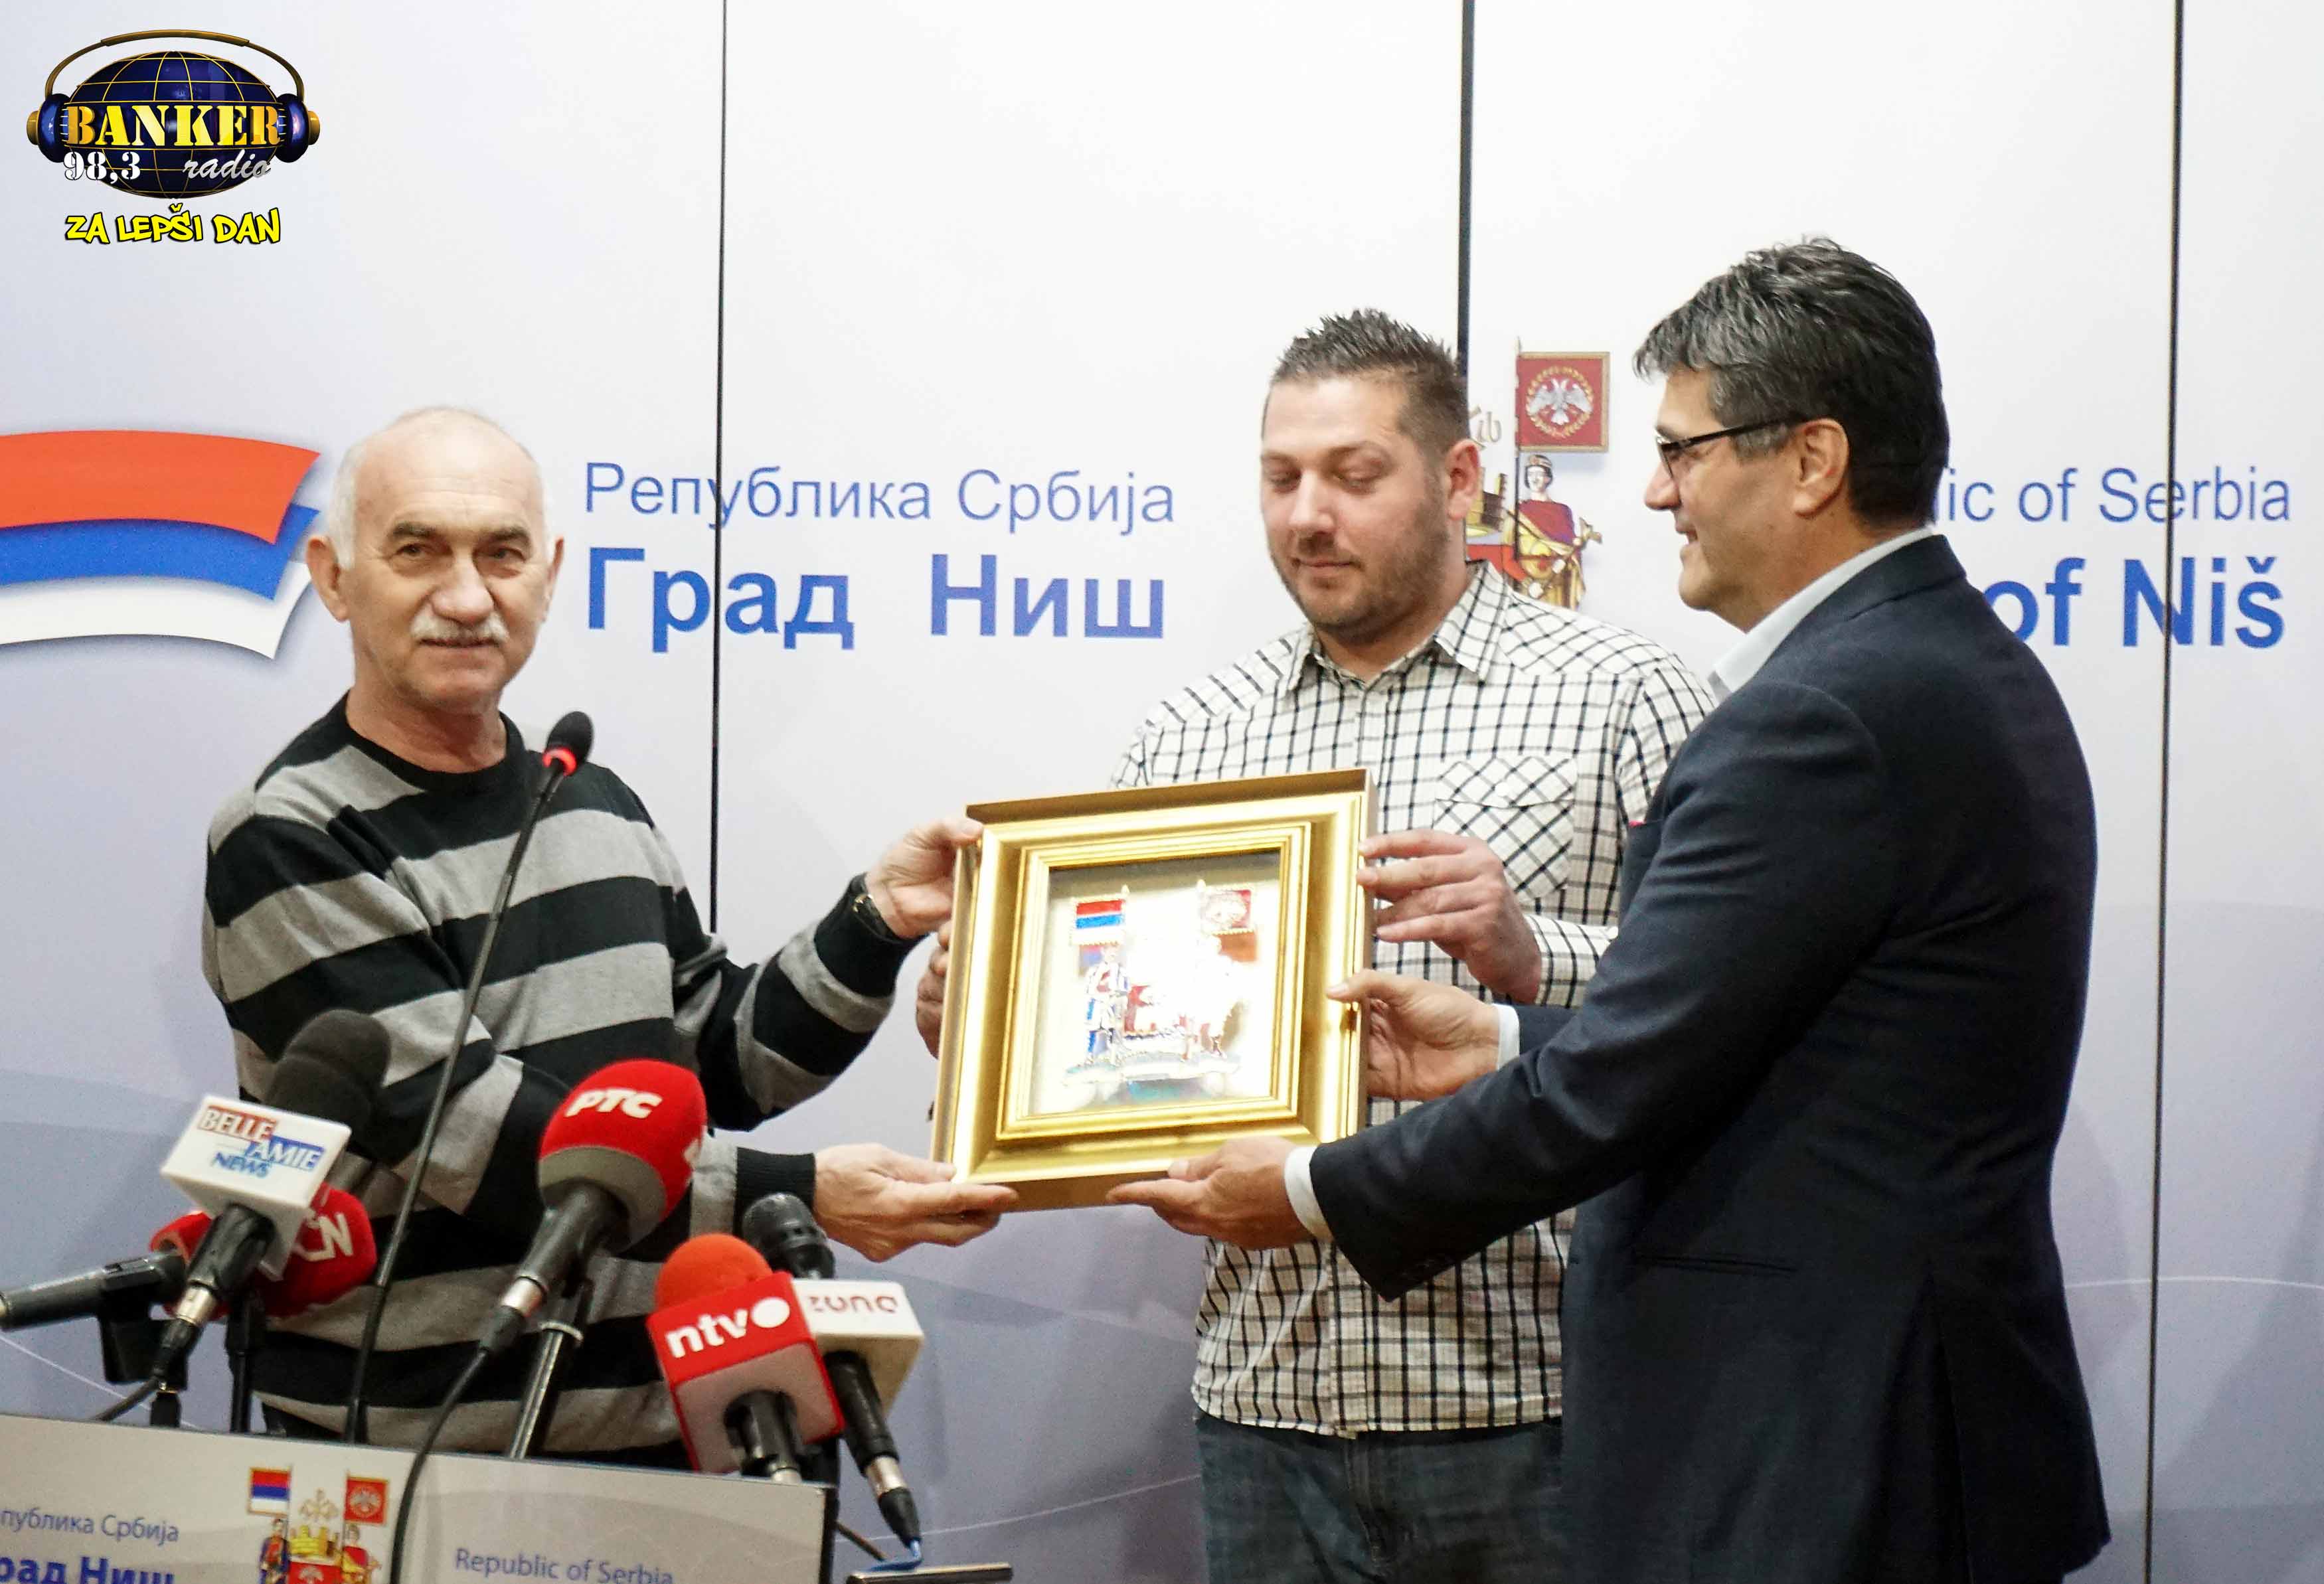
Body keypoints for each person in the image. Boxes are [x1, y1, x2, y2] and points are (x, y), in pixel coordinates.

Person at [1115, 241, 2111, 1584]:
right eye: (1280, 476)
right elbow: (1727, 1033)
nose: (1653, 490)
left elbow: (1629, 1076)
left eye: (1683, 449)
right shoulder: (1943, 663)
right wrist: (1496, 1039)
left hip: (1824, 1438)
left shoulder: (1818, 712)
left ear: (1811, 460)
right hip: (1850, 1420)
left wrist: (1308, 1188)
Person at [919, 311, 1710, 1582]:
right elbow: (1106, 1038)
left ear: (1459, 478)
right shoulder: (1191, 736)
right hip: (1267, 1400)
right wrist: (991, 1020)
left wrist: (1532, 955)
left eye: (1353, 475)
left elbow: (1722, 1018)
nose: (1307, 516)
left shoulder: (1626, 695)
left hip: (1537, 1401)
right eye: (1281, 478)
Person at [203, 406, 1015, 1459]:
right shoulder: (289, 835)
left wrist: (877, 918)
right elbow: (482, 1142)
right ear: (334, 574)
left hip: (663, 1435)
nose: (467, 596)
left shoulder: (590, 800)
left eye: (502, 554)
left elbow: (719, 1065)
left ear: (549, 575)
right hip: (412, 1461)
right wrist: (800, 1194)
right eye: (418, 551)